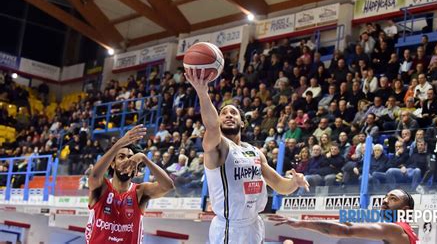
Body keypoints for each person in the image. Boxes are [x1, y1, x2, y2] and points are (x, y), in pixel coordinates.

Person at [185, 68, 309, 244]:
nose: (228, 115)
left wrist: (294, 183)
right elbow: (211, 126)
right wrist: (203, 93)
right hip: (229, 228)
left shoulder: (255, 151)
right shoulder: (217, 148)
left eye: (233, 113)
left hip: (254, 224)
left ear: (242, 122)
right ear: (218, 120)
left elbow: (281, 186)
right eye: (224, 113)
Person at [86, 125, 174, 244]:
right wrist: (118, 144)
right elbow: (94, 176)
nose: (127, 160)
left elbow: (168, 186)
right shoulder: (102, 187)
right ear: (112, 164)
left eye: (131, 157)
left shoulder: (140, 192)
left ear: (135, 168)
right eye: (121, 157)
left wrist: (144, 158)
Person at [268, 189, 418, 244]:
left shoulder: (394, 229)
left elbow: (346, 230)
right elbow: (345, 222)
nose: (384, 200)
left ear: (405, 210)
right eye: (385, 196)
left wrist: (301, 223)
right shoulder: (408, 231)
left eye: (393, 199)